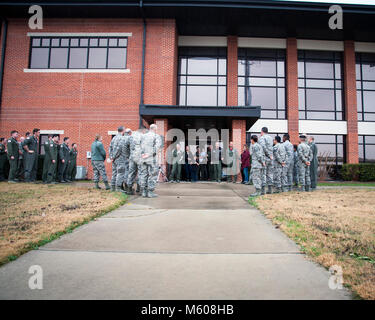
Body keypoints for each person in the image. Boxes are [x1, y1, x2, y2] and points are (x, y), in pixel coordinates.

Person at [139, 123, 162, 198]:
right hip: (152, 158)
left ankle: (144, 192)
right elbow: (157, 147)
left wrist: (142, 154)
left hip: (143, 158)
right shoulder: (156, 136)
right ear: (155, 129)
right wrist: (149, 154)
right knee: (152, 174)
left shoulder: (143, 136)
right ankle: (150, 192)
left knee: (143, 174)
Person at [127, 126, 146, 195]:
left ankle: (129, 189)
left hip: (132, 157)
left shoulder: (131, 135)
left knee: (131, 173)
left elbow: (127, 146)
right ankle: (140, 189)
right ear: (143, 130)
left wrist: (128, 155)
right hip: (140, 157)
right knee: (141, 173)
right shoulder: (143, 136)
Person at [109, 126, 125, 192]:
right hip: (119, 158)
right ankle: (118, 188)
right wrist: (114, 157)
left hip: (114, 159)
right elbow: (119, 149)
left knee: (114, 172)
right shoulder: (121, 138)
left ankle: (112, 187)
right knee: (120, 173)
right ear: (123, 130)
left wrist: (111, 157)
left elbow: (110, 147)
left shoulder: (114, 137)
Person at [258, 127, 274, 194]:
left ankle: (263, 191)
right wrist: (270, 155)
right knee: (270, 174)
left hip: (265, 158)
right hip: (271, 158)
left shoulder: (262, 138)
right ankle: (270, 189)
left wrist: (268, 154)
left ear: (262, 131)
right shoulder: (270, 138)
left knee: (263, 174)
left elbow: (263, 147)